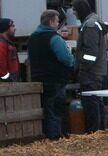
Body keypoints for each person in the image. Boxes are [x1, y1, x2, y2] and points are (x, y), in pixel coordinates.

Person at [28, 9, 74, 139]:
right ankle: (55, 138)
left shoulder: (32, 38)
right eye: (57, 21)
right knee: (55, 110)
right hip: (55, 79)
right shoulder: (54, 38)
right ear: (51, 21)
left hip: (38, 80)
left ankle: (45, 137)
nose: (58, 24)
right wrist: (73, 61)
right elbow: (66, 58)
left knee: (44, 110)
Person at [72, 0, 108, 132]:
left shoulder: (90, 25)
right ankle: (99, 131)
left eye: (74, 10)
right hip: (96, 70)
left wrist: (82, 68)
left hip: (91, 72)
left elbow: (90, 52)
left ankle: (94, 131)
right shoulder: (94, 22)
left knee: (91, 102)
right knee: (96, 101)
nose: (74, 14)